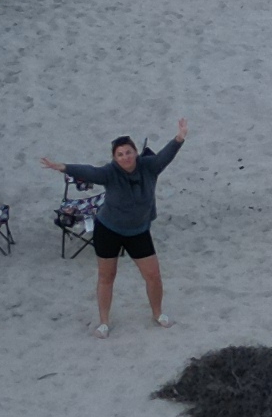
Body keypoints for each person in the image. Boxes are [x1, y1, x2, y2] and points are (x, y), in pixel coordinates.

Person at [38, 118, 186, 335]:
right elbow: (89, 171)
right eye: (120, 154)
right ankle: (104, 322)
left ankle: (158, 314)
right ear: (115, 158)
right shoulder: (110, 172)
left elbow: (166, 155)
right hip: (109, 230)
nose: (125, 157)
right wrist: (63, 167)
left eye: (128, 152)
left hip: (138, 230)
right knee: (107, 276)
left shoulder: (149, 167)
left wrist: (179, 138)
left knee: (153, 275)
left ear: (135, 152)